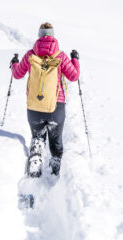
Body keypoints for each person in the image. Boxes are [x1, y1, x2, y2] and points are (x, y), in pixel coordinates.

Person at [10, 21, 80, 177]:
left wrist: (14, 64)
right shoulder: (60, 56)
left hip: (34, 107)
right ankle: (55, 168)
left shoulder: (30, 55)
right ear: (53, 36)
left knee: (37, 137)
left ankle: (35, 163)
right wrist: (75, 59)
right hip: (56, 107)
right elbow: (74, 76)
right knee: (56, 139)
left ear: (39, 36)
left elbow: (17, 75)